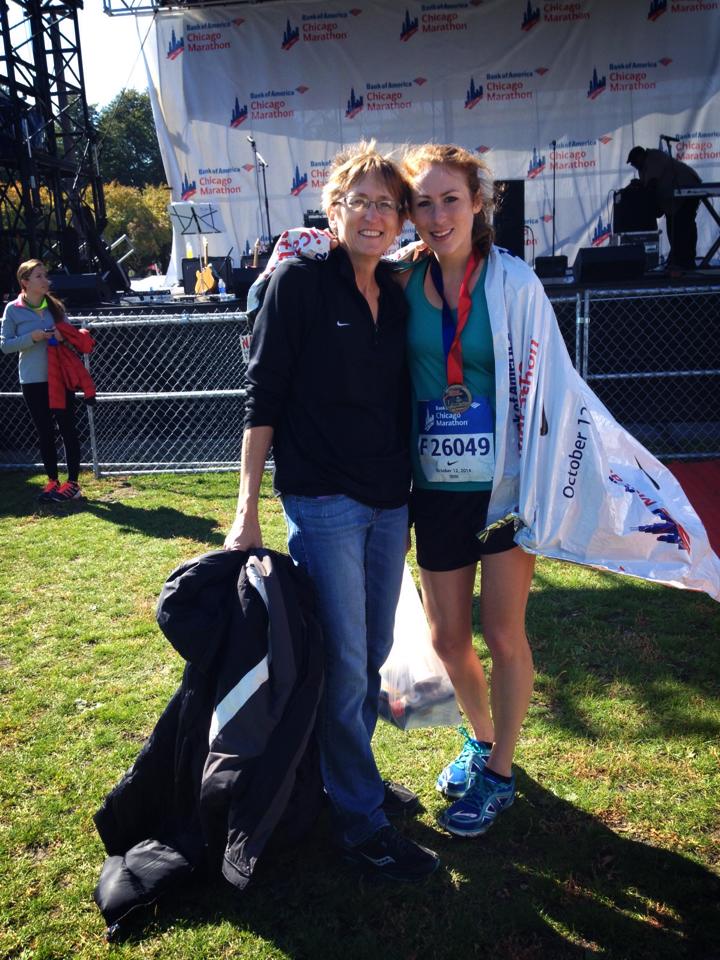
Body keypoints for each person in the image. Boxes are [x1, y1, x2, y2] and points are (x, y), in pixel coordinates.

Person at [223, 142, 440, 882]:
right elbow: (264, 398)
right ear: (334, 209)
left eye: (389, 204)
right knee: (347, 661)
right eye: (362, 202)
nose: (375, 216)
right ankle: (357, 818)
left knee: (372, 655)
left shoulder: (400, 291)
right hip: (323, 503)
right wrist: (246, 506)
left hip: (389, 504)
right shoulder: (298, 284)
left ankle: (354, 780)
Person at [396, 143, 537, 838]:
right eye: (424, 201)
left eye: (451, 198)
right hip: (435, 488)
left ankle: (503, 775)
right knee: (448, 637)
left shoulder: (513, 283)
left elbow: (550, 387)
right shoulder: (402, 283)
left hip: (504, 488)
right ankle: (481, 740)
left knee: (502, 633)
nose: (438, 213)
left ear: (479, 203)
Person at [1, 260, 83, 502]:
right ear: (25, 282)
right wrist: (32, 337)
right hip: (32, 380)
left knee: (67, 428)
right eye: (39, 276)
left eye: (45, 275)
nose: (46, 280)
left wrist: (63, 335)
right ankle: (52, 482)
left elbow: (74, 339)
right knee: (44, 431)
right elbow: (5, 345)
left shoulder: (56, 307)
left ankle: (73, 484)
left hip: (61, 379)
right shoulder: (12, 309)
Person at [626, 146, 701, 270]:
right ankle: (678, 260)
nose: (634, 165)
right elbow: (648, 187)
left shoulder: (653, 158)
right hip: (674, 199)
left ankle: (686, 262)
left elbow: (651, 186)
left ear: (640, 156)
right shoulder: (643, 168)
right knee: (673, 227)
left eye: (634, 162)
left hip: (687, 187)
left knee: (684, 225)